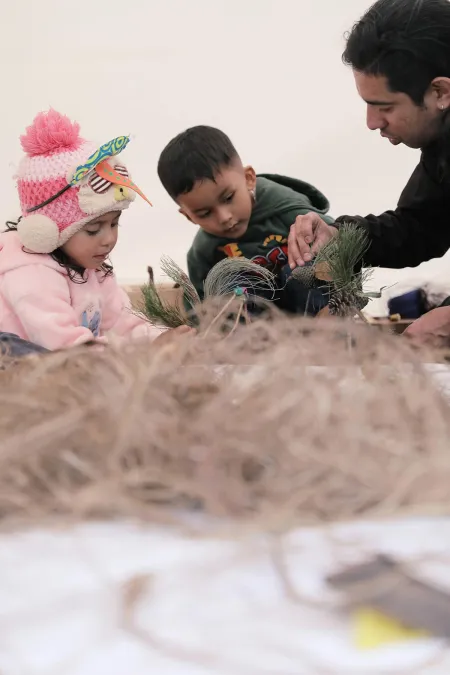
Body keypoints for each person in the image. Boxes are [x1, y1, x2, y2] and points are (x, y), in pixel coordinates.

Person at [287, 0, 450, 338]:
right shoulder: (441, 145)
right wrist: (340, 235)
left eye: (384, 107)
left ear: (440, 92)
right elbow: (419, 228)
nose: (372, 123)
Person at [0, 109, 192, 352]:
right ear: (46, 232)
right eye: (93, 229)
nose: (109, 239)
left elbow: (123, 323)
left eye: (114, 223)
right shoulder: (31, 271)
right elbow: (66, 346)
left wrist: (157, 341)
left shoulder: (92, 266)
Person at [157, 125, 335, 316]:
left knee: (304, 268)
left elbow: (340, 238)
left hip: (313, 310)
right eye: (204, 213)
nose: (224, 217)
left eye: (228, 198)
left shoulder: (288, 210)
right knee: (232, 283)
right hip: (257, 324)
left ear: (249, 178)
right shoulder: (203, 252)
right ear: (188, 216)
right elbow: (198, 303)